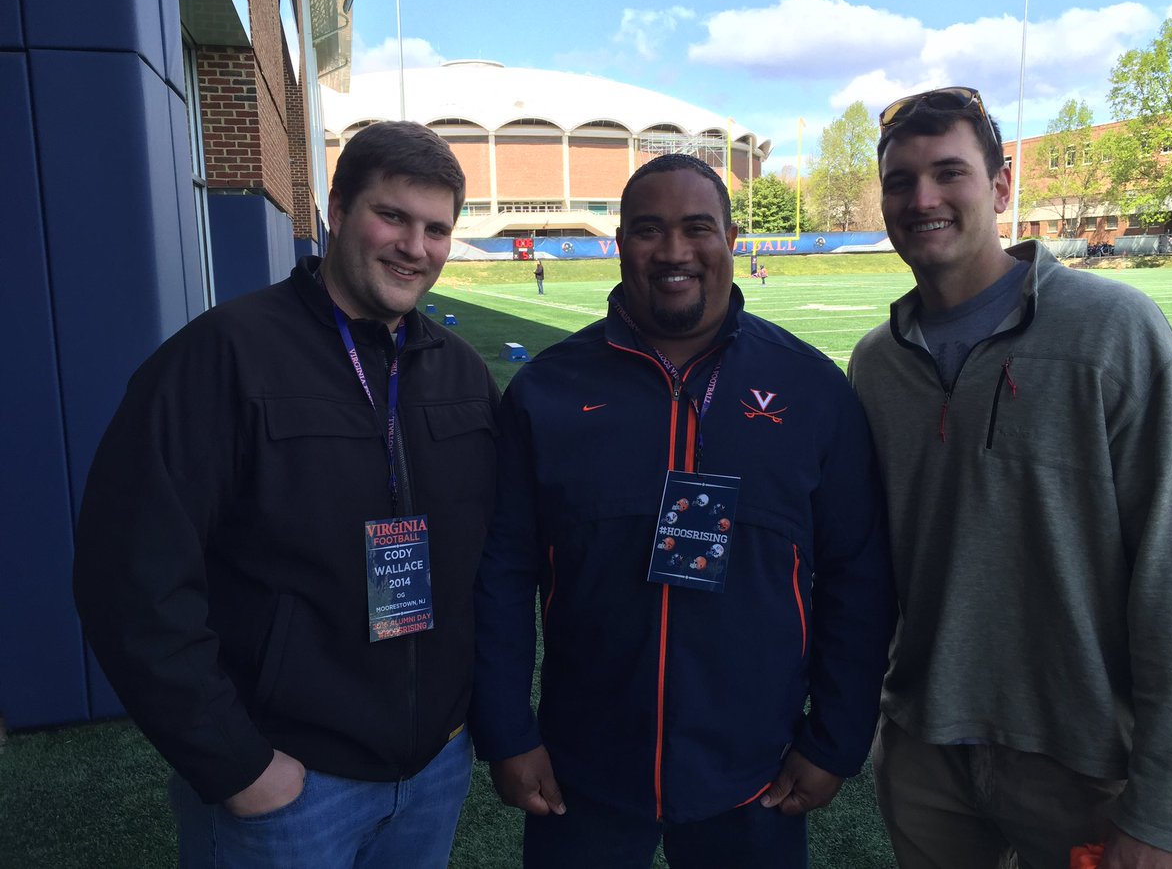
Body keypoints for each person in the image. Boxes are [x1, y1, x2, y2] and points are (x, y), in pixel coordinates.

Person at [73, 121, 500, 868]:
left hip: (433, 769)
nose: (415, 247)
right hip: (290, 783)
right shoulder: (224, 356)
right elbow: (129, 575)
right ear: (337, 211)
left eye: (436, 229)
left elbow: (494, 559)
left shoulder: (461, 374)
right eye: (392, 216)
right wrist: (235, 763)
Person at [471, 153, 896, 868]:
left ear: (731, 239)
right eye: (649, 229)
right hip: (584, 769)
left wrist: (834, 740)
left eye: (697, 228)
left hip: (757, 772)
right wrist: (508, 732)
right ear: (619, 244)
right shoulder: (547, 391)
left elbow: (857, 577)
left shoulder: (811, 389)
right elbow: (502, 573)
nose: (674, 251)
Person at [848, 86, 1172, 869]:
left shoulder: (1114, 331)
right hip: (924, 748)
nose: (923, 199)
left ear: (1002, 187)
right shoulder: (875, 365)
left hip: (1085, 759)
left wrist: (1170, 805)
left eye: (949, 173)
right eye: (901, 181)